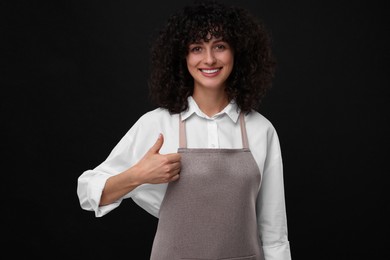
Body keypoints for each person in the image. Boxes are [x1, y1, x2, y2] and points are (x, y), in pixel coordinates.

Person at [77, 0, 292, 259]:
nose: (209, 59)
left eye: (220, 46)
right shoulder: (157, 125)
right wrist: (138, 175)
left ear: (238, 52)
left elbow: (274, 232)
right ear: (182, 56)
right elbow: (87, 192)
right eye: (197, 48)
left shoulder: (261, 130)